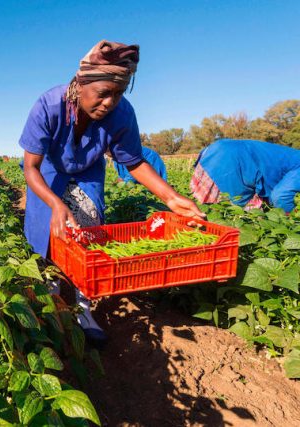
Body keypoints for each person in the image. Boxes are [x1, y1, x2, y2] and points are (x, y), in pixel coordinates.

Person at [18, 40, 205, 344]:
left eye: (118, 94)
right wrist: (55, 204)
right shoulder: (49, 106)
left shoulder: (121, 114)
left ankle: (82, 308)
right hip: (48, 171)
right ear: (80, 85)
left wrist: (171, 197)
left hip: (89, 170)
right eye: (103, 93)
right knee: (48, 233)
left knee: (89, 231)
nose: (109, 103)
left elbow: (134, 163)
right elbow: (30, 168)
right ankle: (51, 299)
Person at [190, 139, 300, 213]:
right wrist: (291, 220)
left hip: (216, 149)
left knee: (215, 209)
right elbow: (281, 196)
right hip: (234, 159)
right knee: (239, 209)